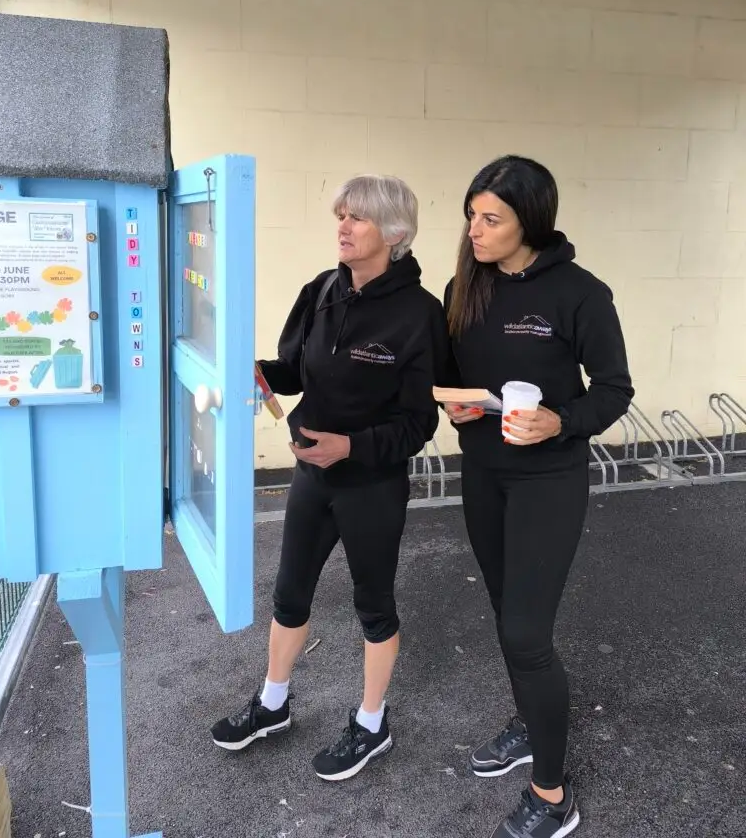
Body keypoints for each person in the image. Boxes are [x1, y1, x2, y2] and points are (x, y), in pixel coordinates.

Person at [211, 174, 447, 782]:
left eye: (358, 218)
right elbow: (292, 370)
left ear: (394, 234)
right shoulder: (321, 291)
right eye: (341, 215)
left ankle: (372, 724)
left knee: (373, 605)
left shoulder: (420, 315)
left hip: (372, 484)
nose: (343, 227)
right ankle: (273, 703)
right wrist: (256, 370)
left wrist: (352, 446)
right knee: (289, 593)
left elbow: (420, 421)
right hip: (312, 478)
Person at [442, 156, 633, 838]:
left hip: (549, 478)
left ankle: (552, 796)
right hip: (483, 473)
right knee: (506, 615)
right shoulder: (465, 287)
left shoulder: (581, 294)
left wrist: (561, 420)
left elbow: (614, 388)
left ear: (532, 221)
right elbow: (456, 380)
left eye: (491, 219)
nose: (475, 231)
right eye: (471, 215)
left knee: (526, 633)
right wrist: (460, 409)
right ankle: (530, 721)